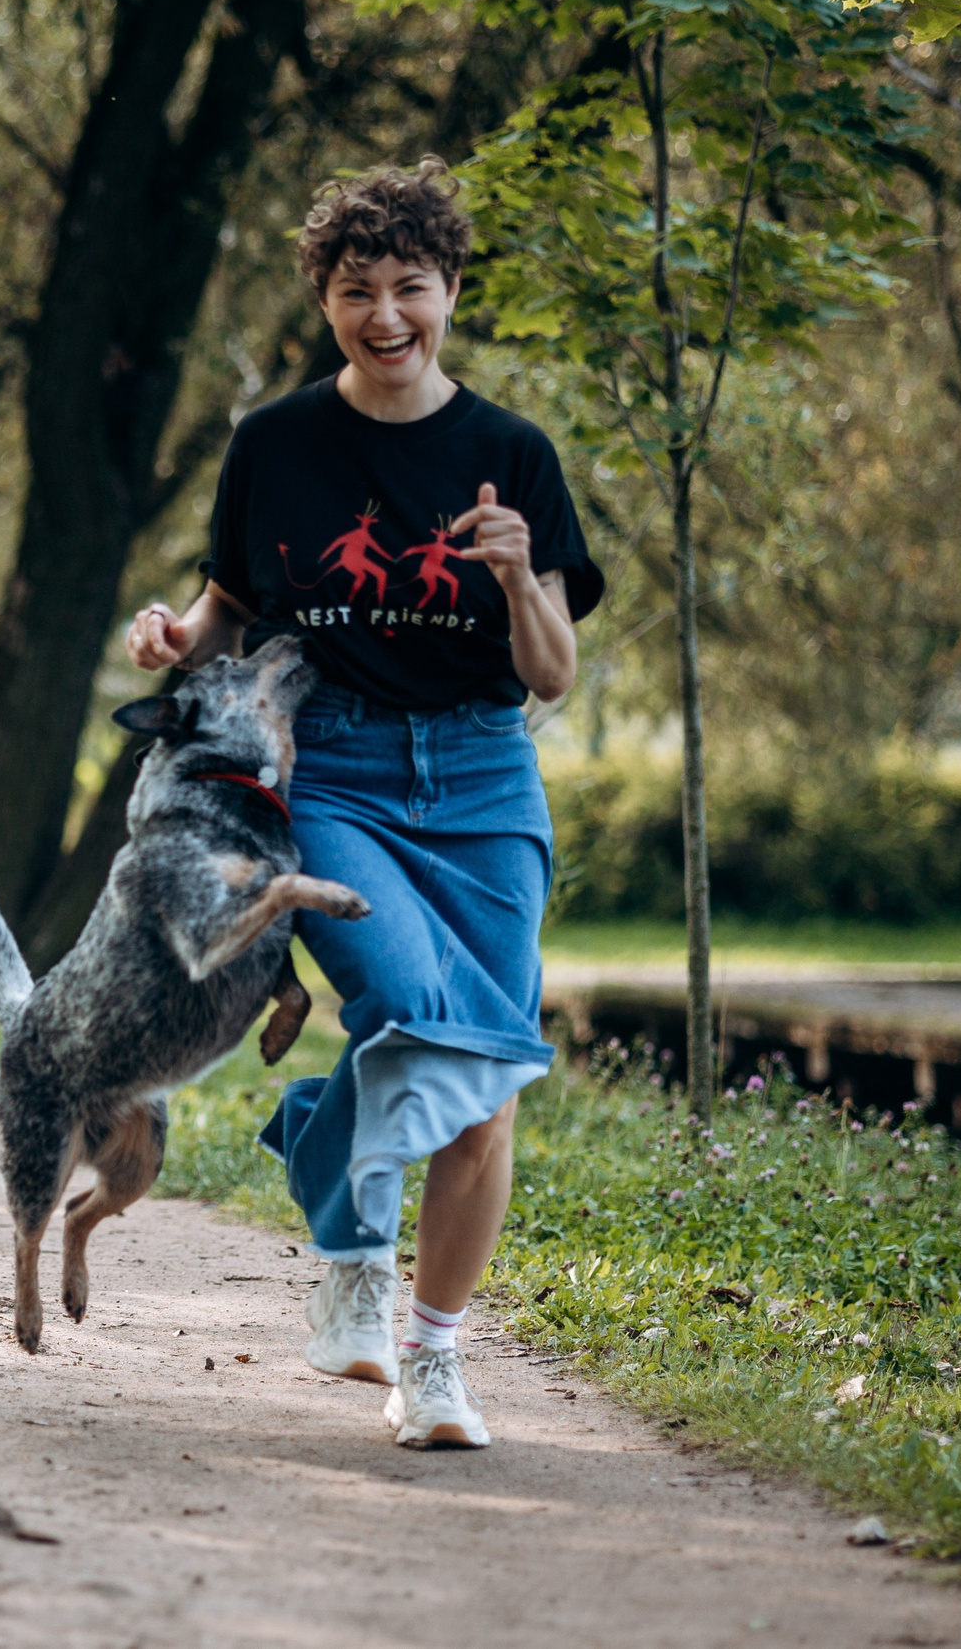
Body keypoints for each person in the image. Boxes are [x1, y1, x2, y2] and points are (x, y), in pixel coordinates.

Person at [125, 159, 602, 1448]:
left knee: (486, 1074)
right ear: (324, 301)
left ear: (451, 290)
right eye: (356, 290)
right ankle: (351, 1241)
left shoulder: (511, 455)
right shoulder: (274, 444)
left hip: (484, 773)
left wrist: (515, 578)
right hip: (329, 769)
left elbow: (549, 673)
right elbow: (229, 606)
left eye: (409, 287)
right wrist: (178, 633)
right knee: (413, 1011)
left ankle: (433, 1355)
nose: (384, 315)